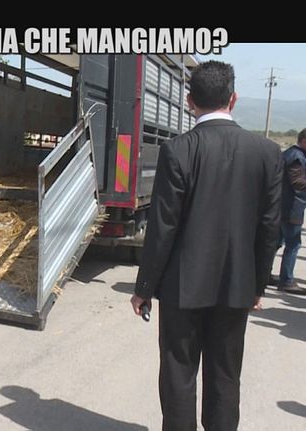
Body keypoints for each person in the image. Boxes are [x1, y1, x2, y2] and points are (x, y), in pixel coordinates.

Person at [130, 61, 282, 430]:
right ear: (233, 98)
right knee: (225, 375)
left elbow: (162, 228)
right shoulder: (266, 153)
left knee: (178, 374)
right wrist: (257, 286)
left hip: (182, 288)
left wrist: (144, 288)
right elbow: (269, 228)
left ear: (189, 101)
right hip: (236, 286)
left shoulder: (177, 150)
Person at [273, 129, 306, 294]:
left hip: (283, 205)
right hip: (291, 207)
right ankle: (287, 280)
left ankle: (264, 275)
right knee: (293, 244)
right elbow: (297, 182)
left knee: (276, 242)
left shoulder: (292, 154)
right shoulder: (296, 157)